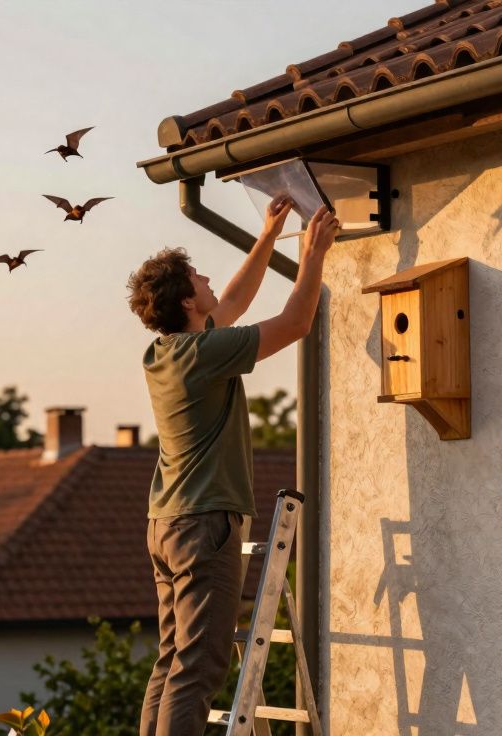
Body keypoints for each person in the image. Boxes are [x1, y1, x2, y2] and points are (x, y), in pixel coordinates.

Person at [126, 198, 340, 736]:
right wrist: (313, 255)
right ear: (187, 301)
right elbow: (295, 322)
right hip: (204, 525)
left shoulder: (167, 352)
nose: (206, 277)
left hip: (167, 523)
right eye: (198, 277)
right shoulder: (203, 355)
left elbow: (236, 302)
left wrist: (269, 233)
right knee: (199, 670)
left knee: (173, 662)